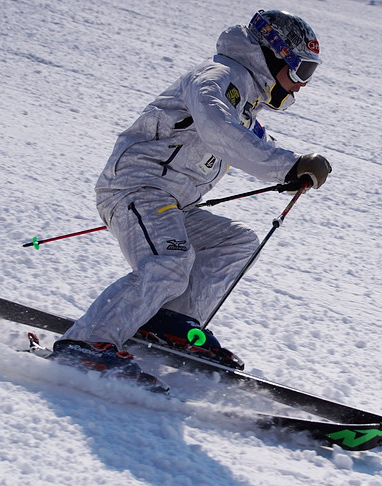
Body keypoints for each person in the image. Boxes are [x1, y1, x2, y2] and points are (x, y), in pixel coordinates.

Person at [50, 10, 332, 392]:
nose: (301, 86)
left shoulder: (245, 100)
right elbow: (220, 132)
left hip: (172, 203)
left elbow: (253, 141)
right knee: (170, 262)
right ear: (274, 54)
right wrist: (288, 165)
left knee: (236, 241)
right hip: (137, 189)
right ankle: (85, 343)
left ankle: (168, 323)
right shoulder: (216, 78)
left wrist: (294, 168)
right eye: (301, 72)